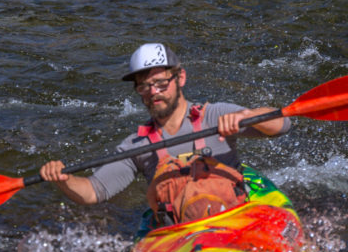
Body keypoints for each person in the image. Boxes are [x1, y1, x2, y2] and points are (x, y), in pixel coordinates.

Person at [39, 43, 290, 228]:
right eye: (144, 86)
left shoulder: (215, 116)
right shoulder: (136, 146)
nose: (153, 92)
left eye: (160, 83)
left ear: (180, 77)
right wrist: (64, 179)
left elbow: (282, 124)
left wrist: (247, 115)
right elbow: (94, 191)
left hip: (233, 216)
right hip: (180, 229)